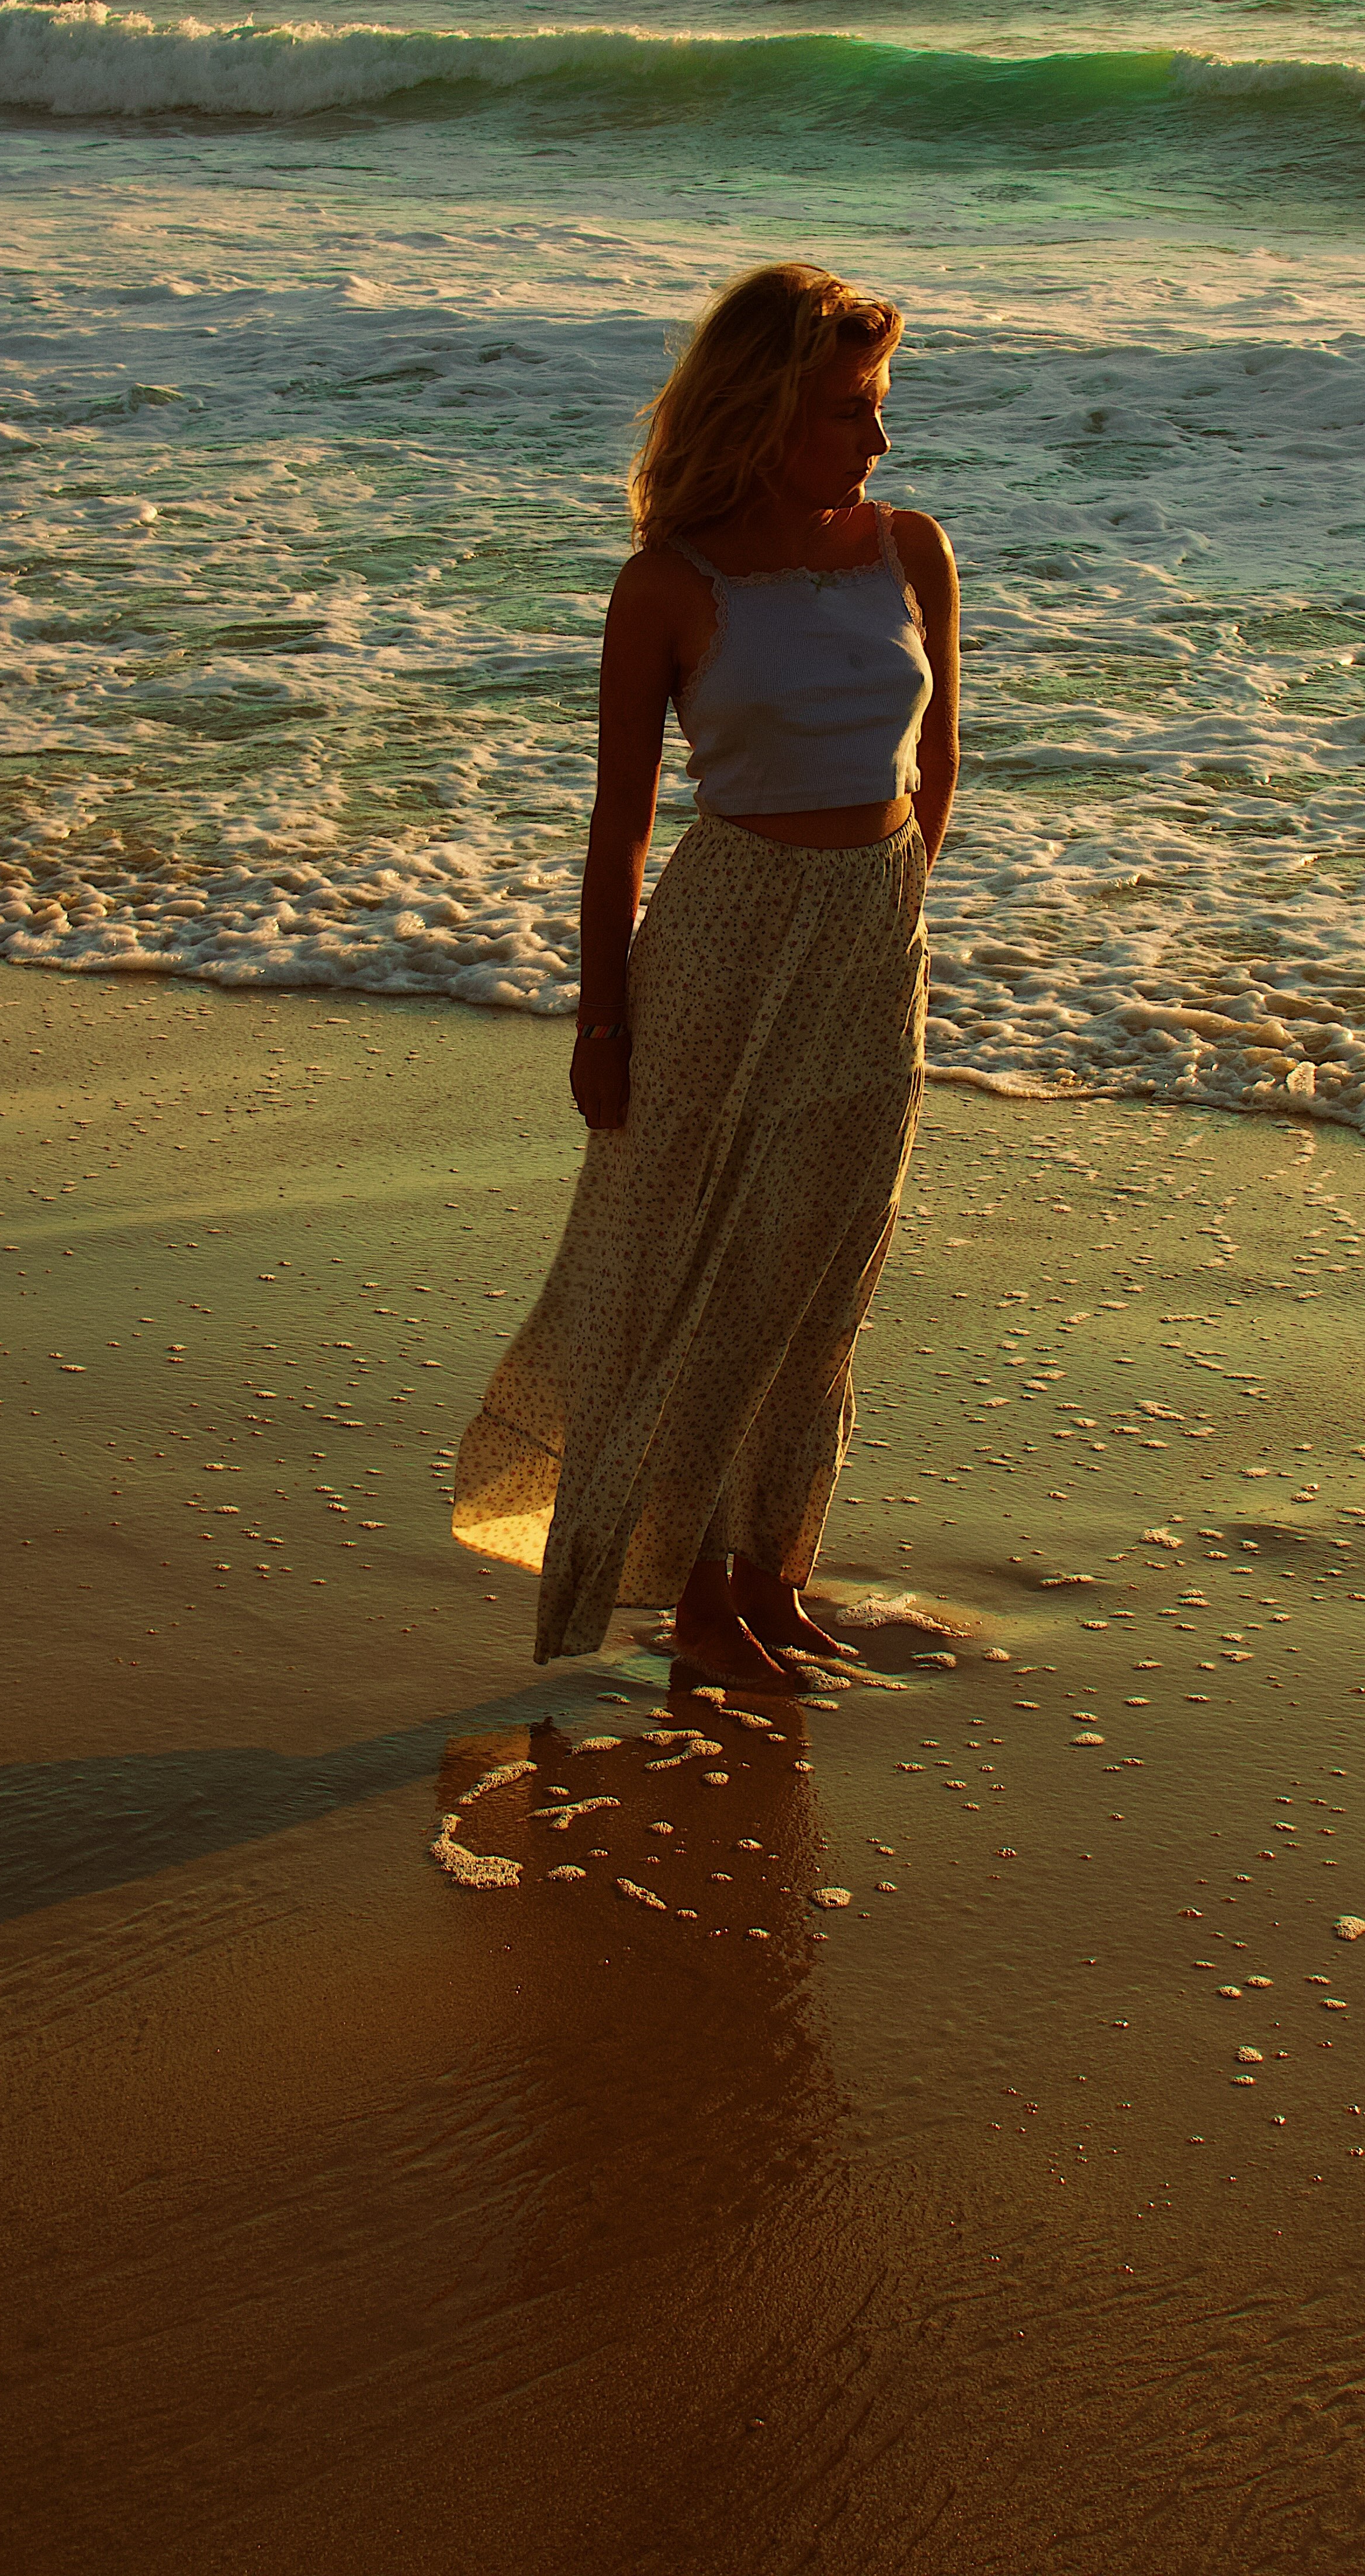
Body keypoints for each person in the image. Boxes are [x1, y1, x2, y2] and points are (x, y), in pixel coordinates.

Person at [451, 263, 960, 1688]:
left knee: (824, 1276)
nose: (880, 440)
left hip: (873, 938)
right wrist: (599, 1016)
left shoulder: (911, 551)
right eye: (856, 408)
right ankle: (685, 1599)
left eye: (881, 406)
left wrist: (888, 914)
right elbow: (620, 821)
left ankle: (767, 1578)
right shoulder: (670, 586)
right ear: (765, 410)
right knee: (692, 1275)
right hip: (725, 938)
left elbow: (938, 766)